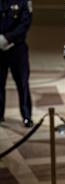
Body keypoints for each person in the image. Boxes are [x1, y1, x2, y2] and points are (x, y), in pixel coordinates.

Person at [0, 0, 33, 128]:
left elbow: (25, 23)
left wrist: (8, 38)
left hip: (17, 49)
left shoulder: (23, 0)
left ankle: (26, 116)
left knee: (22, 83)